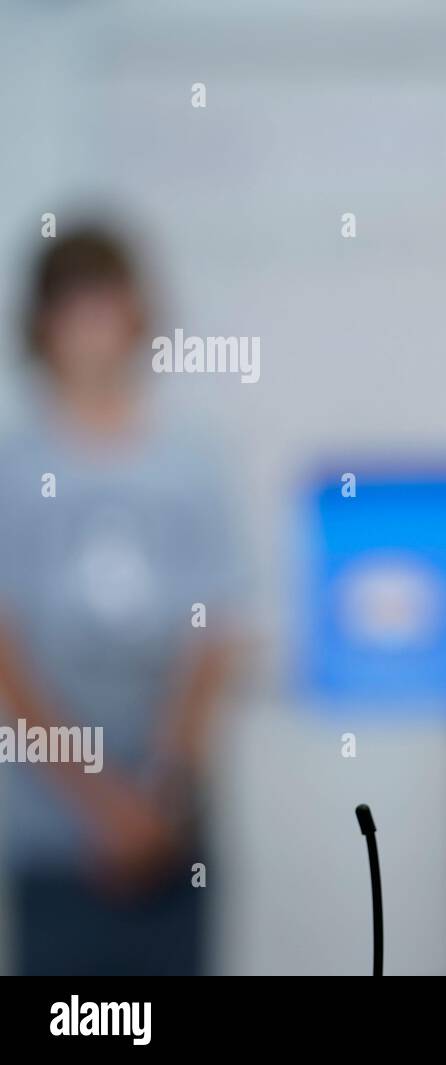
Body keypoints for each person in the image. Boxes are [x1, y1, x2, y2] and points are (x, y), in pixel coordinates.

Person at [0, 227, 242, 974]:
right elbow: (7, 658)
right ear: (43, 324)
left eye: (107, 301)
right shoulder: (15, 470)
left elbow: (214, 641)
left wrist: (161, 798)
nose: (93, 327)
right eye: (74, 305)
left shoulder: (191, 466)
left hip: (174, 835)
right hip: (53, 836)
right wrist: (103, 806)